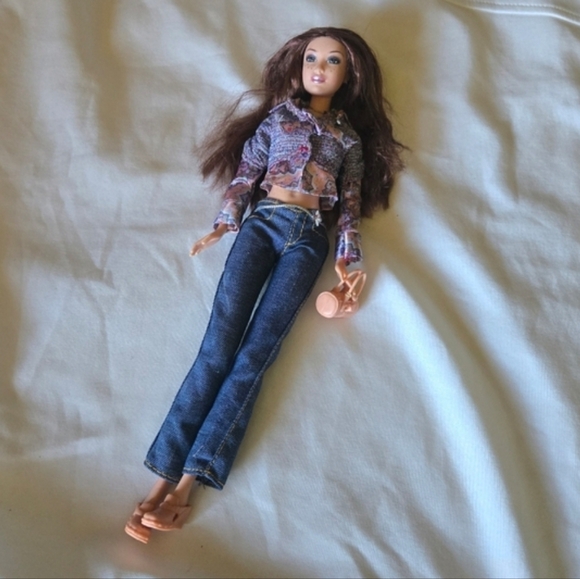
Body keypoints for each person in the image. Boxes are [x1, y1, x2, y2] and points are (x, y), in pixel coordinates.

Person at [124, 26, 405, 544]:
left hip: (309, 240)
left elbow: (349, 205)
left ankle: (185, 488)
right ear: (298, 65)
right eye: (312, 57)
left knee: (253, 359)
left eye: (333, 61)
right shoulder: (278, 120)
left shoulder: (349, 140)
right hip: (263, 224)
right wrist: (223, 224)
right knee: (216, 350)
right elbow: (247, 171)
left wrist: (347, 261)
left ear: (350, 75)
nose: (319, 68)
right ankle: (160, 478)